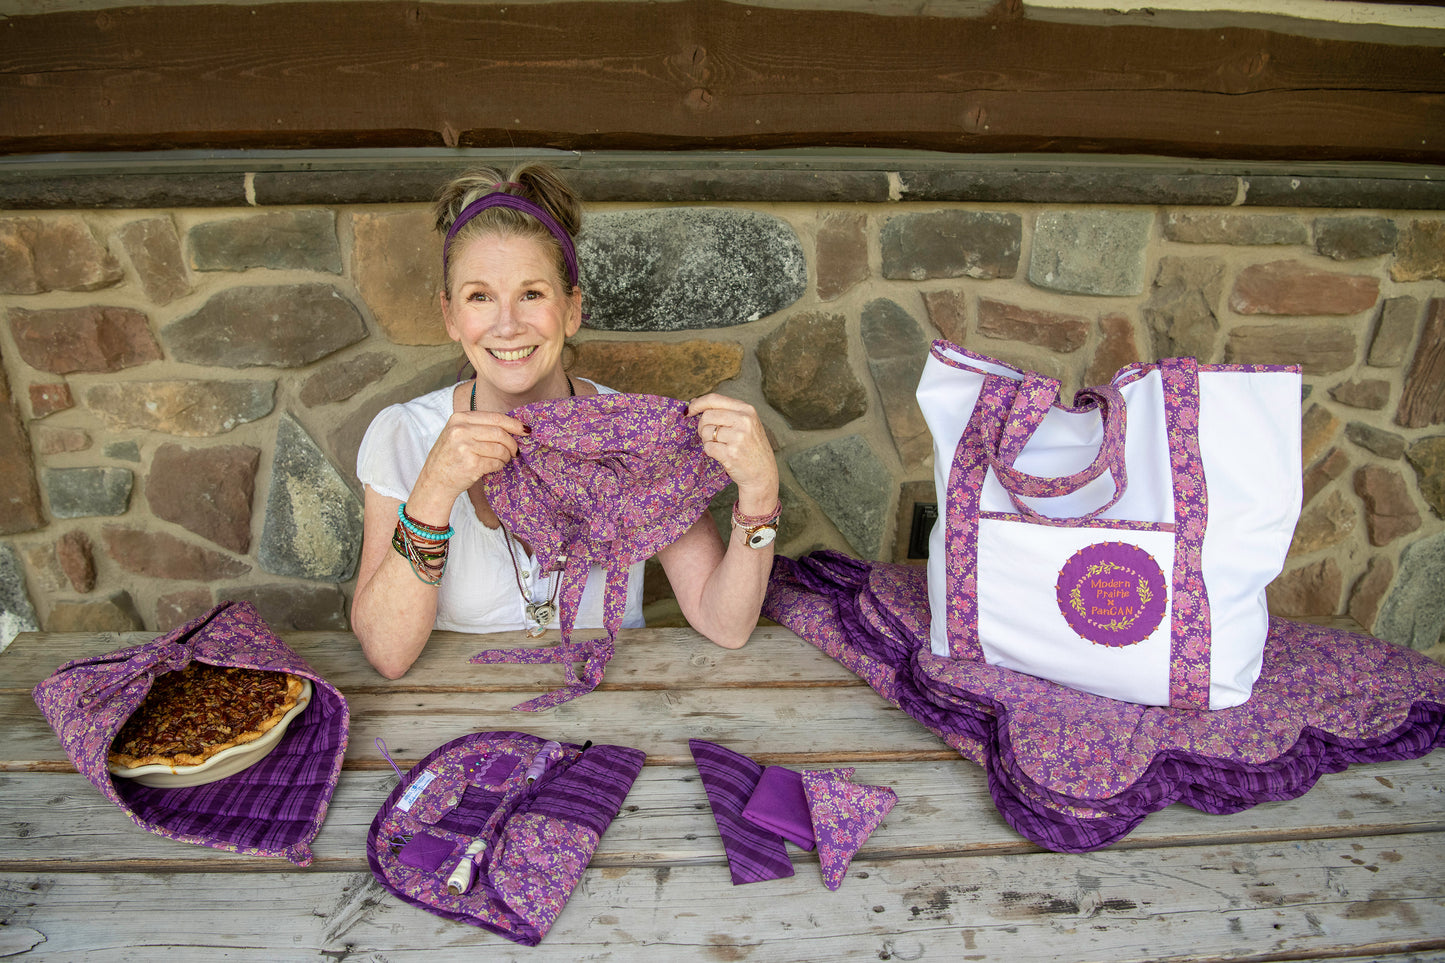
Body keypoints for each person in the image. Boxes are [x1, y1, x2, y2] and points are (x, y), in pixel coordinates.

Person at [352, 164, 781, 679]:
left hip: (610, 720)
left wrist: (759, 491)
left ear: (572, 309)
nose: (507, 324)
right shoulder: (404, 433)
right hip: (452, 717)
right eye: (479, 296)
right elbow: (387, 654)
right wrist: (434, 490)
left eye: (532, 293)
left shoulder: (636, 434)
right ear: (450, 315)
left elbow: (724, 624)